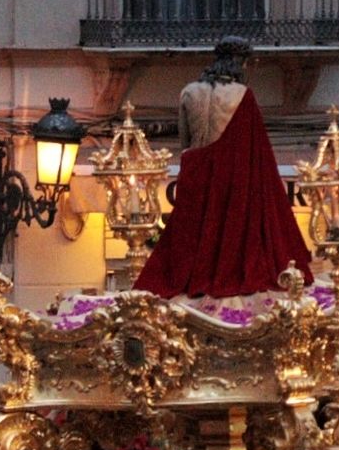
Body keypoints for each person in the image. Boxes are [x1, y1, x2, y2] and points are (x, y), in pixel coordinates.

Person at [132, 37, 315, 299]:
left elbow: (186, 143)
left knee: (190, 233)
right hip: (231, 175)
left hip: (195, 171)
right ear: (241, 62)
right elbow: (255, 150)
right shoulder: (242, 94)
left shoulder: (188, 92)